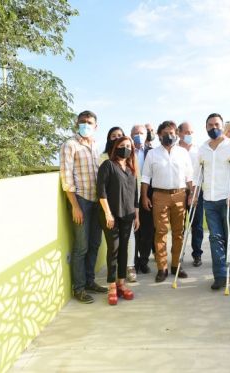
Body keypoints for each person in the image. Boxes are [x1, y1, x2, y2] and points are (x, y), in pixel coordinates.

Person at [60, 110, 108, 304]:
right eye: (82, 122)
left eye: (89, 122)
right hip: (80, 200)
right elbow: (66, 177)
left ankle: (89, 282)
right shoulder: (70, 145)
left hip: (97, 202)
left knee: (95, 244)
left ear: (95, 126)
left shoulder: (97, 147)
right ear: (76, 123)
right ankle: (78, 288)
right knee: (81, 247)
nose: (85, 125)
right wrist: (74, 206)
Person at [195, 113, 230, 290]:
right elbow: (197, 174)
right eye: (210, 125)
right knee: (215, 237)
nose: (213, 128)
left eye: (216, 124)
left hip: (227, 199)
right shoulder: (202, 148)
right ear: (206, 127)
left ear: (221, 126)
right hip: (209, 199)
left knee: (229, 237)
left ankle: (229, 272)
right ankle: (220, 276)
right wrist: (194, 194)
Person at [141, 121, 193, 282]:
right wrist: (144, 196)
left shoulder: (183, 153)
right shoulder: (152, 154)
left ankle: (176, 265)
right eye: (165, 133)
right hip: (159, 196)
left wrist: (191, 195)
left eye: (171, 133)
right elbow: (145, 177)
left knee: (179, 233)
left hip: (180, 195)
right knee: (161, 232)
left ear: (176, 134)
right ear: (159, 135)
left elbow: (189, 176)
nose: (168, 136)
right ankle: (162, 267)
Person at [97, 136, 140, 305]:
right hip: (112, 216)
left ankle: (121, 283)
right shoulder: (108, 165)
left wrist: (136, 215)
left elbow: (134, 194)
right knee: (113, 250)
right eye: (122, 146)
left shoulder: (131, 168)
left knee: (124, 250)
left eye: (128, 146)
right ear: (116, 147)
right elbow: (101, 191)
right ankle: (112, 286)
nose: (126, 148)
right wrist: (108, 213)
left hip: (128, 216)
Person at [178, 121, 204, 267]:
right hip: (180, 191)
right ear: (179, 133)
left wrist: (195, 191)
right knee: (179, 226)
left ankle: (197, 254)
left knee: (197, 224)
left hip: (197, 191)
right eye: (187, 132)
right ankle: (178, 254)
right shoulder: (174, 150)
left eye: (191, 132)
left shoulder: (198, 150)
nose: (189, 135)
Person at [131, 124, 154, 274]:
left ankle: (144, 260)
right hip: (130, 197)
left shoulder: (152, 152)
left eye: (141, 133)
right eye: (136, 133)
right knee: (133, 232)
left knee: (147, 231)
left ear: (147, 136)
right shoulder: (126, 150)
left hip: (148, 197)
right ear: (131, 135)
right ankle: (132, 262)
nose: (138, 135)